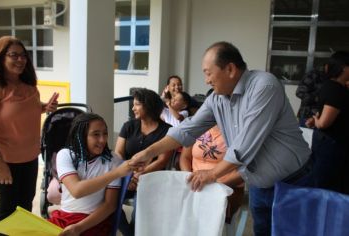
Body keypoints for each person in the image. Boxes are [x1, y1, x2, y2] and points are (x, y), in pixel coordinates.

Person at [129, 41, 312, 236]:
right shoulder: (217, 99)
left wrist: (213, 174)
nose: (206, 80)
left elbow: (246, 143)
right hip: (259, 183)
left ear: (230, 69)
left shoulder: (264, 86)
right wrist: (149, 152)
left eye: (208, 73)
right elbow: (186, 129)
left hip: (294, 181)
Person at [0, 36, 58, 234]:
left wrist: (44, 107)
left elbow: (22, 109)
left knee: (25, 205)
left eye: (23, 56)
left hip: (30, 156)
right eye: (14, 55)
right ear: (1, 57)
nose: (21, 60)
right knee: (8, 208)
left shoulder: (29, 85)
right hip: (6, 159)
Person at [48, 112, 131, 236]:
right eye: (96, 134)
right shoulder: (65, 155)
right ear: (81, 136)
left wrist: (79, 228)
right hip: (64, 217)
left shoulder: (113, 161)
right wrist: (116, 173)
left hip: (93, 221)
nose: (102, 140)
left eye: (105, 133)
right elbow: (77, 191)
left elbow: (110, 205)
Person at [114, 88, 172, 236]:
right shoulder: (129, 126)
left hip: (152, 179)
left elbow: (162, 161)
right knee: (108, 201)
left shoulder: (167, 131)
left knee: (140, 212)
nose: (133, 108)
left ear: (149, 105)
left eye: (137, 104)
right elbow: (118, 153)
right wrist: (128, 174)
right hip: (125, 175)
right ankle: (129, 233)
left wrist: (140, 175)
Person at [179, 125, 244, 235]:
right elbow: (185, 157)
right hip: (195, 186)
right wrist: (189, 178)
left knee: (214, 226)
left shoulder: (239, 130)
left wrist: (214, 186)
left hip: (226, 187)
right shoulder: (199, 126)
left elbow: (245, 171)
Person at [306, 51, 349, 194]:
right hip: (331, 144)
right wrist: (317, 119)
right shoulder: (335, 89)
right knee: (325, 185)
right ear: (344, 68)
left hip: (329, 142)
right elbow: (324, 123)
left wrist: (316, 119)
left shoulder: (334, 86)